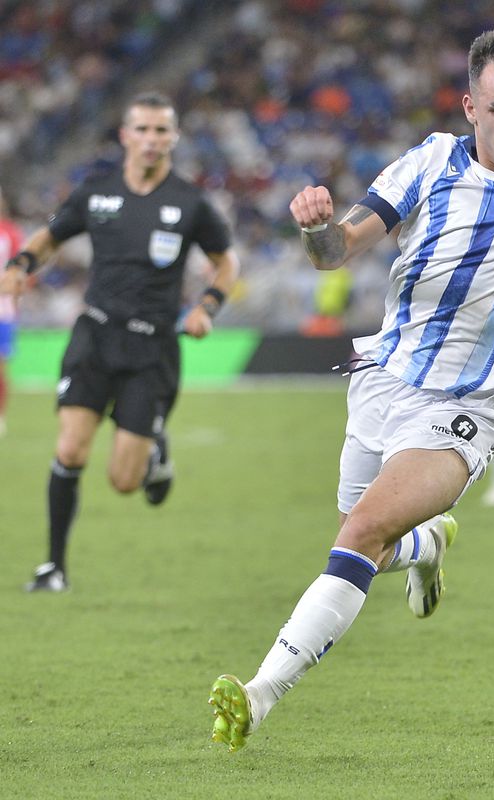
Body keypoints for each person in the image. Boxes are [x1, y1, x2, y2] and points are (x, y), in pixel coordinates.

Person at [207, 25, 494, 752]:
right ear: (469, 106)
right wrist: (314, 229)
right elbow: (339, 251)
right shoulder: (428, 163)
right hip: (381, 382)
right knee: (366, 538)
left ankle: (258, 693)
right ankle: (425, 546)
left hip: (467, 408)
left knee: (359, 531)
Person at [1, 92, 240, 593]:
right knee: (70, 449)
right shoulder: (95, 193)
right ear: (125, 136)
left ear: (173, 138)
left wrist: (206, 306)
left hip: (151, 350)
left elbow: (226, 262)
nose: (152, 139)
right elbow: (50, 236)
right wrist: (21, 266)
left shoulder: (191, 202)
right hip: (94, 334)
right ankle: (53, 567)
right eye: (144, 130)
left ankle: (154, 449)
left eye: (161, 131)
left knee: (124, 483)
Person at [0, 187, 23, 438]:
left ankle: (0, 416)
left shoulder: (10, 232)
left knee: (0, 369)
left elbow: (21, 271)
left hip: (3, 313)